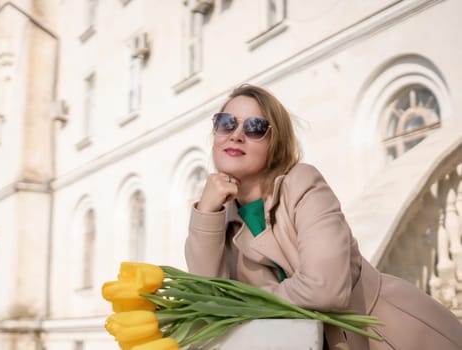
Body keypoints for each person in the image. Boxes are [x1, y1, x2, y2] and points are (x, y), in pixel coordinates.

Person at [185, 84, 462, 350]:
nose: (236, 135)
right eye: (226, 123)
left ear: (276, 143)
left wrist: (242, 307)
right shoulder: (221, 222)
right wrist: (206, 213)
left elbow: (324, 288)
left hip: (394, 336)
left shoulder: (301, 184)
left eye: (255, 128)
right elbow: (207, 309)